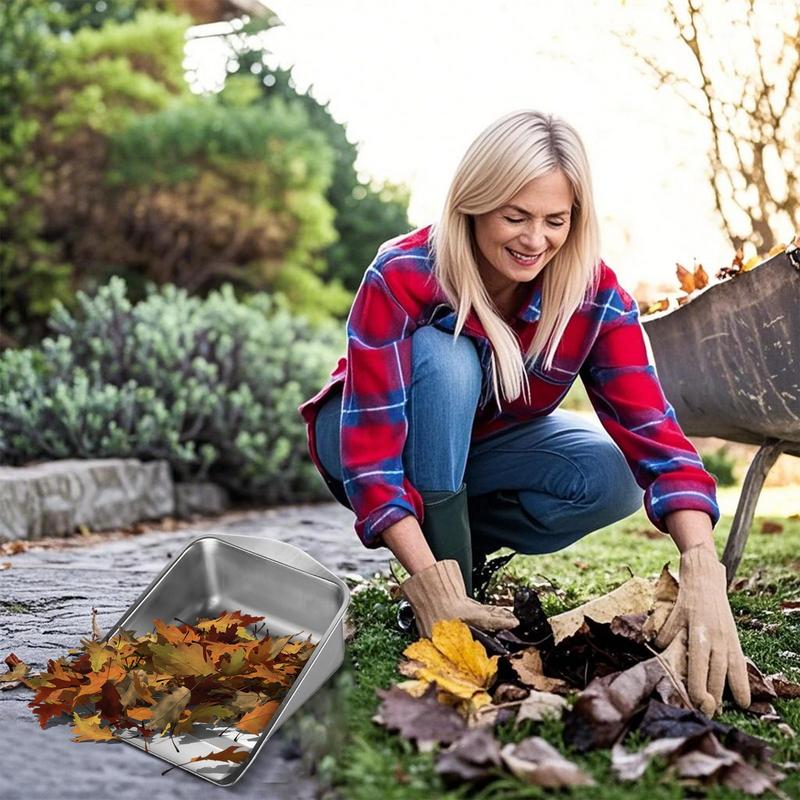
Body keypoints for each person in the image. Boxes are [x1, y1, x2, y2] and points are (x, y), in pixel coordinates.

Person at [297, 109, 751, 718]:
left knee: (611, 472)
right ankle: (444, 580)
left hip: (483, 451)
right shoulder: (404, 272)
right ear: (475, 204)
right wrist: (430, 583)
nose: (534, 240)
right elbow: (373, 458)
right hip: (369, 434)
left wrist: (702, 564)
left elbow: (654, 434)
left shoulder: (594, 296)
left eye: (554, 221)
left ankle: (459, 551)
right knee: (446, 357)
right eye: (515, 216)